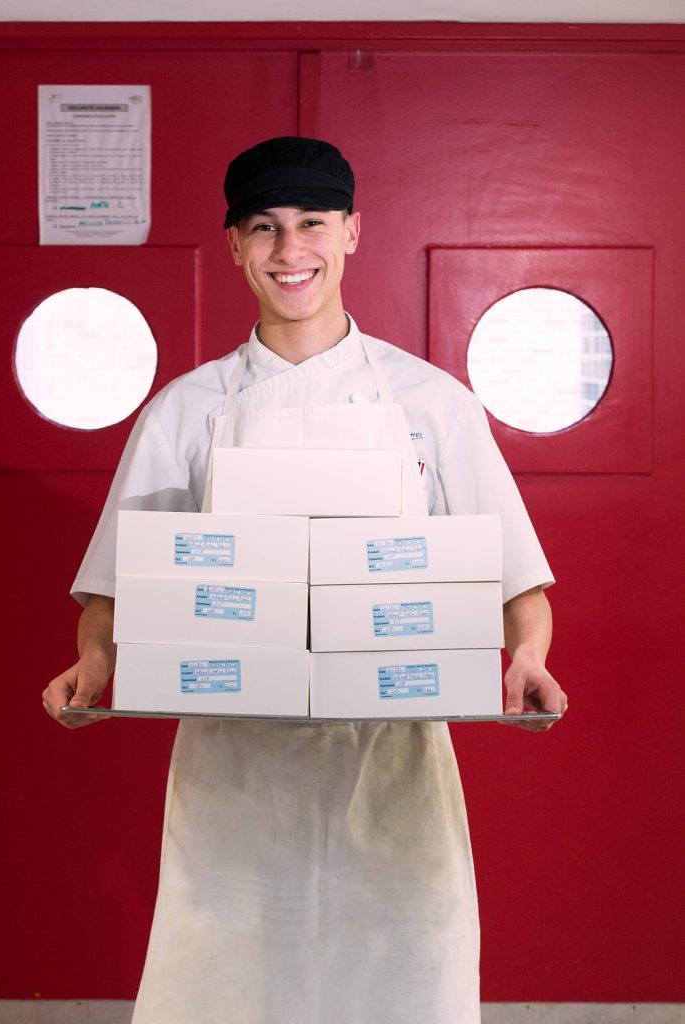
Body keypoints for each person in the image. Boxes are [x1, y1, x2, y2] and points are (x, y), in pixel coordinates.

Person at [43, 136, 568, 1024]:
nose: (291, 252)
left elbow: (520, 581)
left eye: (312, 224)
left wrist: (531, 660)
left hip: (392, 754)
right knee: (228, 982)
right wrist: (93, 663)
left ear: (353, 232)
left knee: (402, 975)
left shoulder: (430, 404)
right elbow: (115, 588)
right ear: (234, 246)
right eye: (264, 228)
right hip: (236, 761)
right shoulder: (188, 409)